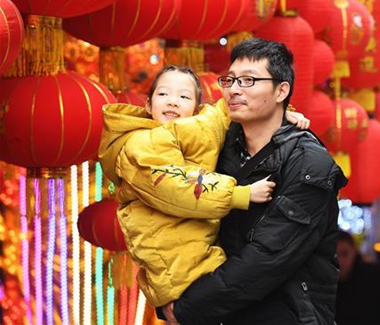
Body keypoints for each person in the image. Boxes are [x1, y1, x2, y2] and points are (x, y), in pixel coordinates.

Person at [166, 38, 348, 324]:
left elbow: (267, 258)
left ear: (281, 91)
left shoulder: (309, 163)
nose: (234, 90)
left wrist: (186, 308)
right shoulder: (221, 145)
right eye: (230, 80)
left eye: (249, 80)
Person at [98, 65, 283, 309]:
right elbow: (175, 186)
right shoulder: (140, 144)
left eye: (183, 97)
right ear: (148, 105)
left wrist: (282, 113)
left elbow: (223, 114)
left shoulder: (197, 130)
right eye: (163, 94)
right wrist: (240, 194)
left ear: (196, 109)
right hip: (175, 263)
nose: (172, 102)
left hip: (200, 250)